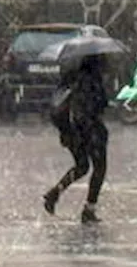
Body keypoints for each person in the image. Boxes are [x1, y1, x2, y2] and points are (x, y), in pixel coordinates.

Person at [44, 53, 110, 223]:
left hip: (71, 132)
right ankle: (89, 209)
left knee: (82, 166)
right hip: (90, 131)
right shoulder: (92, 80)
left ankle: (55, 192)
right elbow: (98, 105)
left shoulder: (70, 79)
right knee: (99, 168)